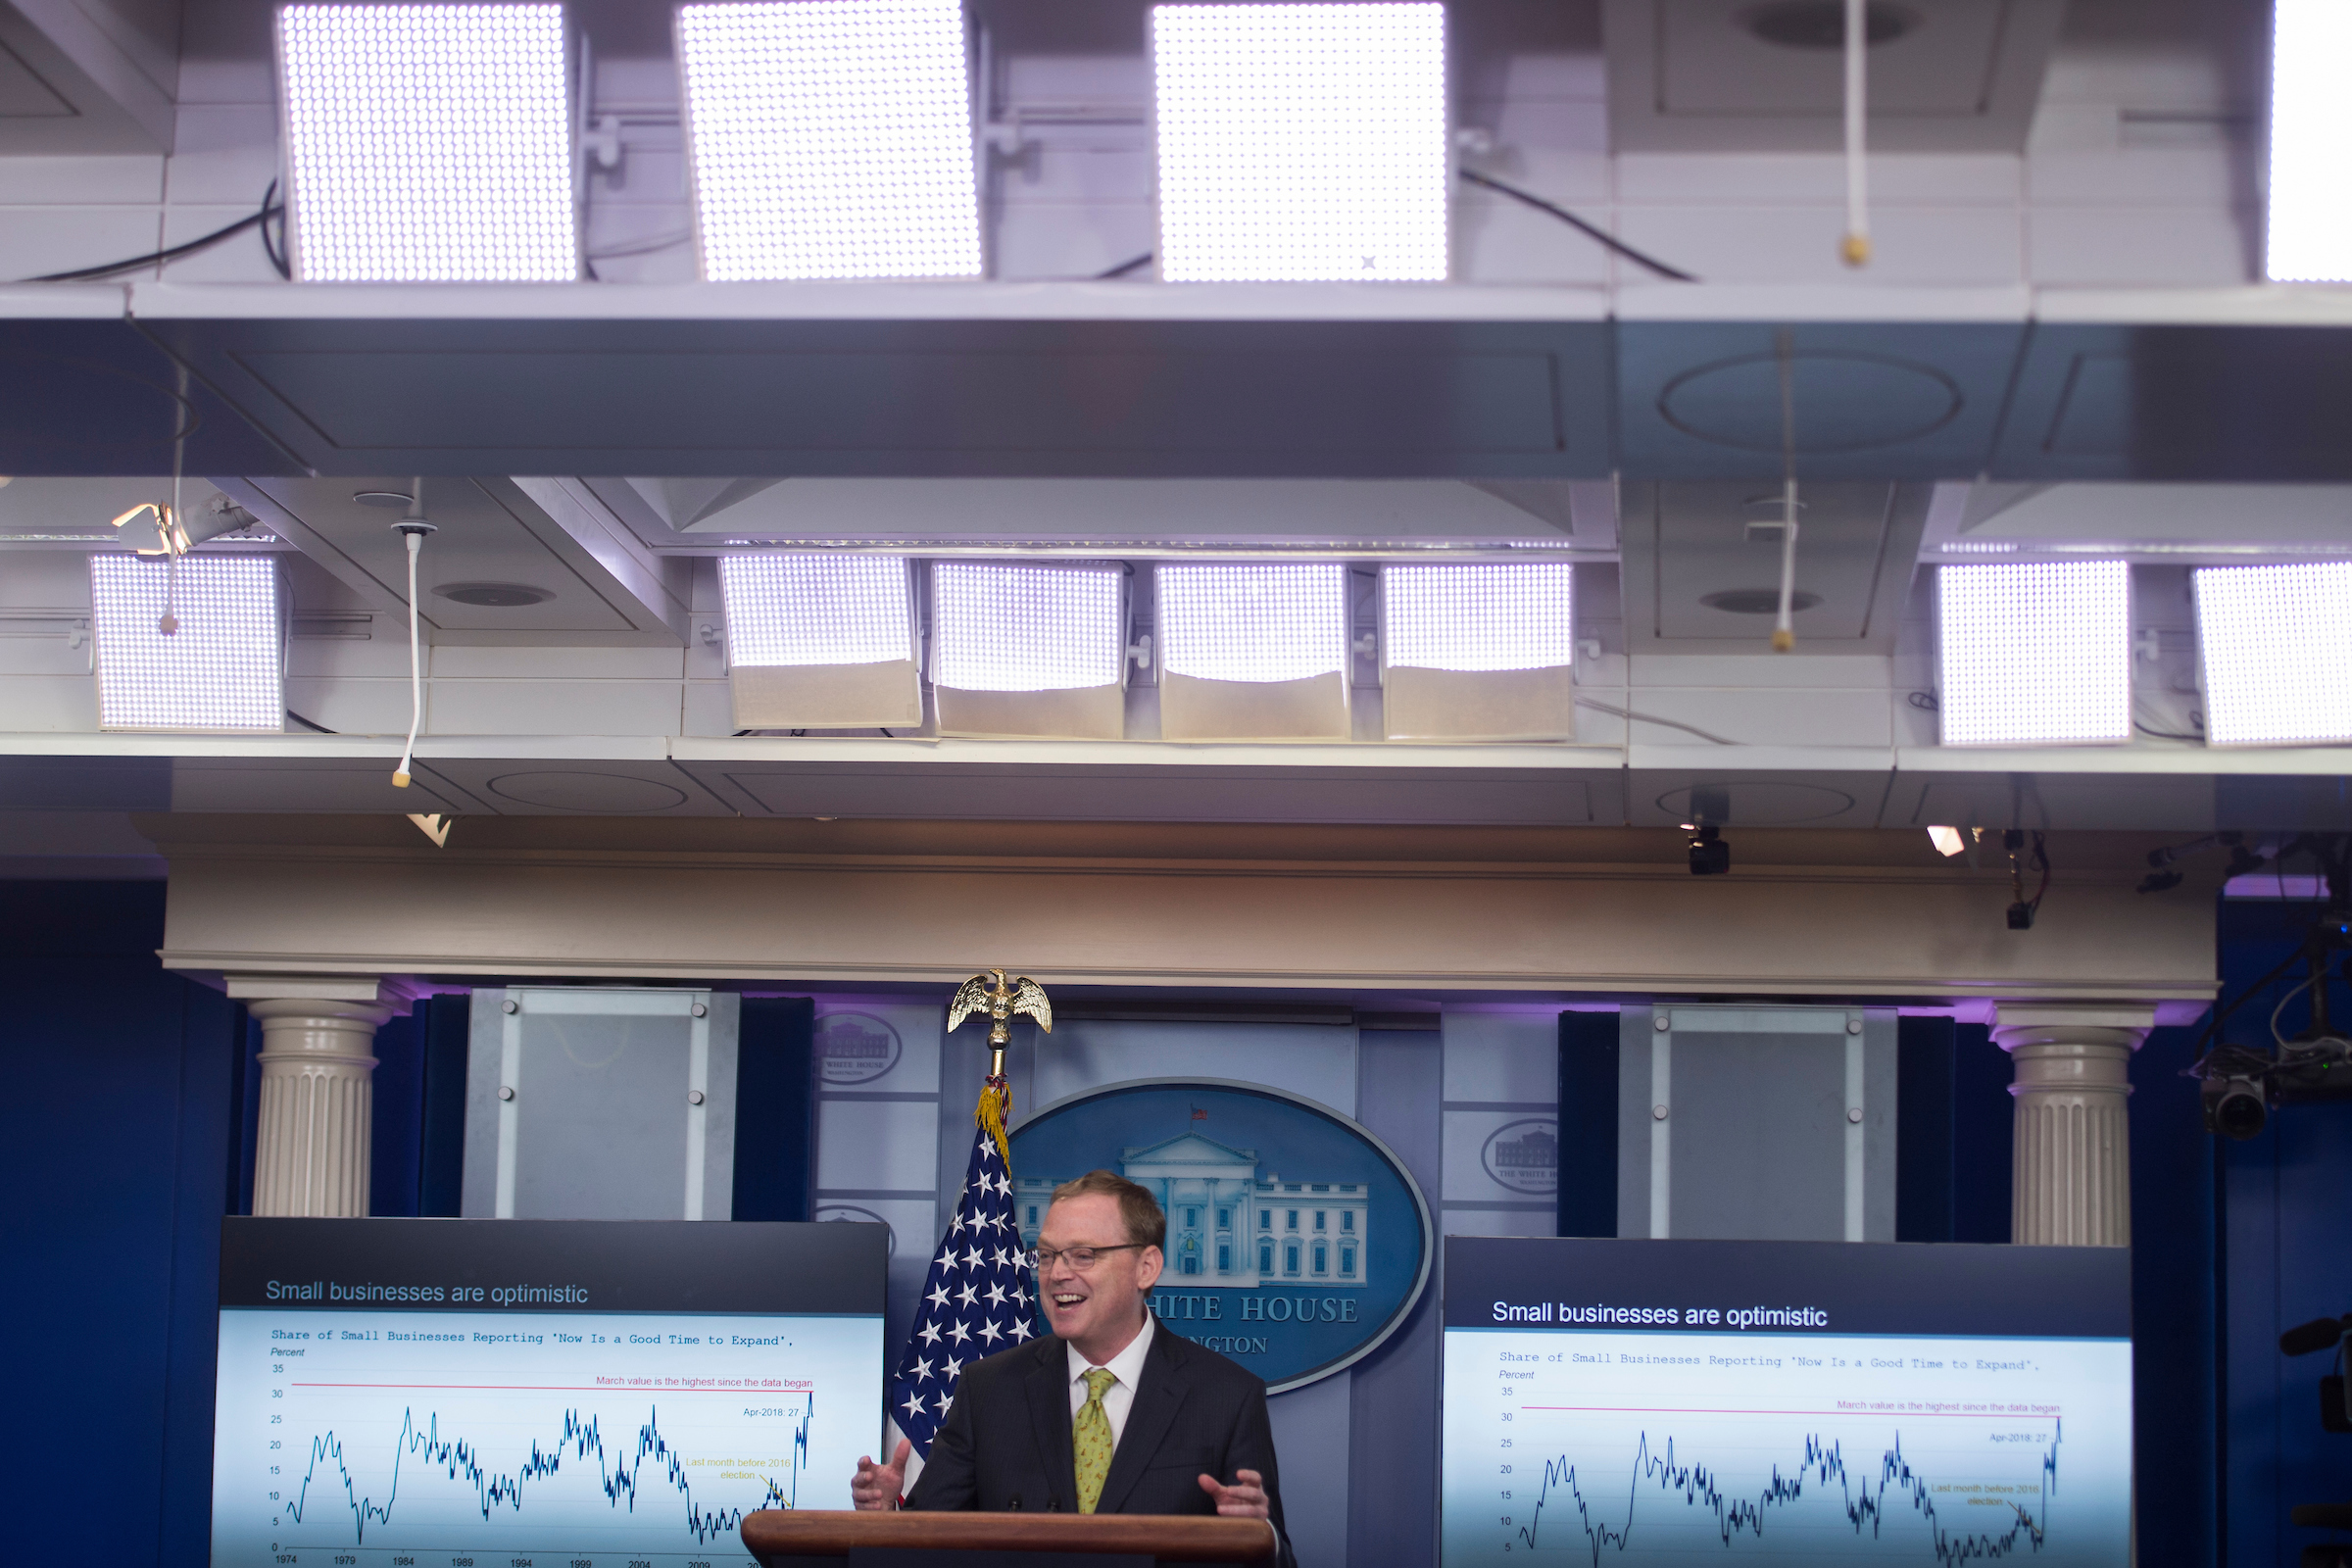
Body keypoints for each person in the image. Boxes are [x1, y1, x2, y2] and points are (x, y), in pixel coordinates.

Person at [852, 1170, 1296, 1567]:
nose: (1057, 1274)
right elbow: (928, 1543)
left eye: (1083, 1255)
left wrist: (1258, 1537)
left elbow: (1281, 1558)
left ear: (1146, 1267)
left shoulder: (1227, 1396)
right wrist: (886, 1517)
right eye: (1046, 1255)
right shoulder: (988, 1388)